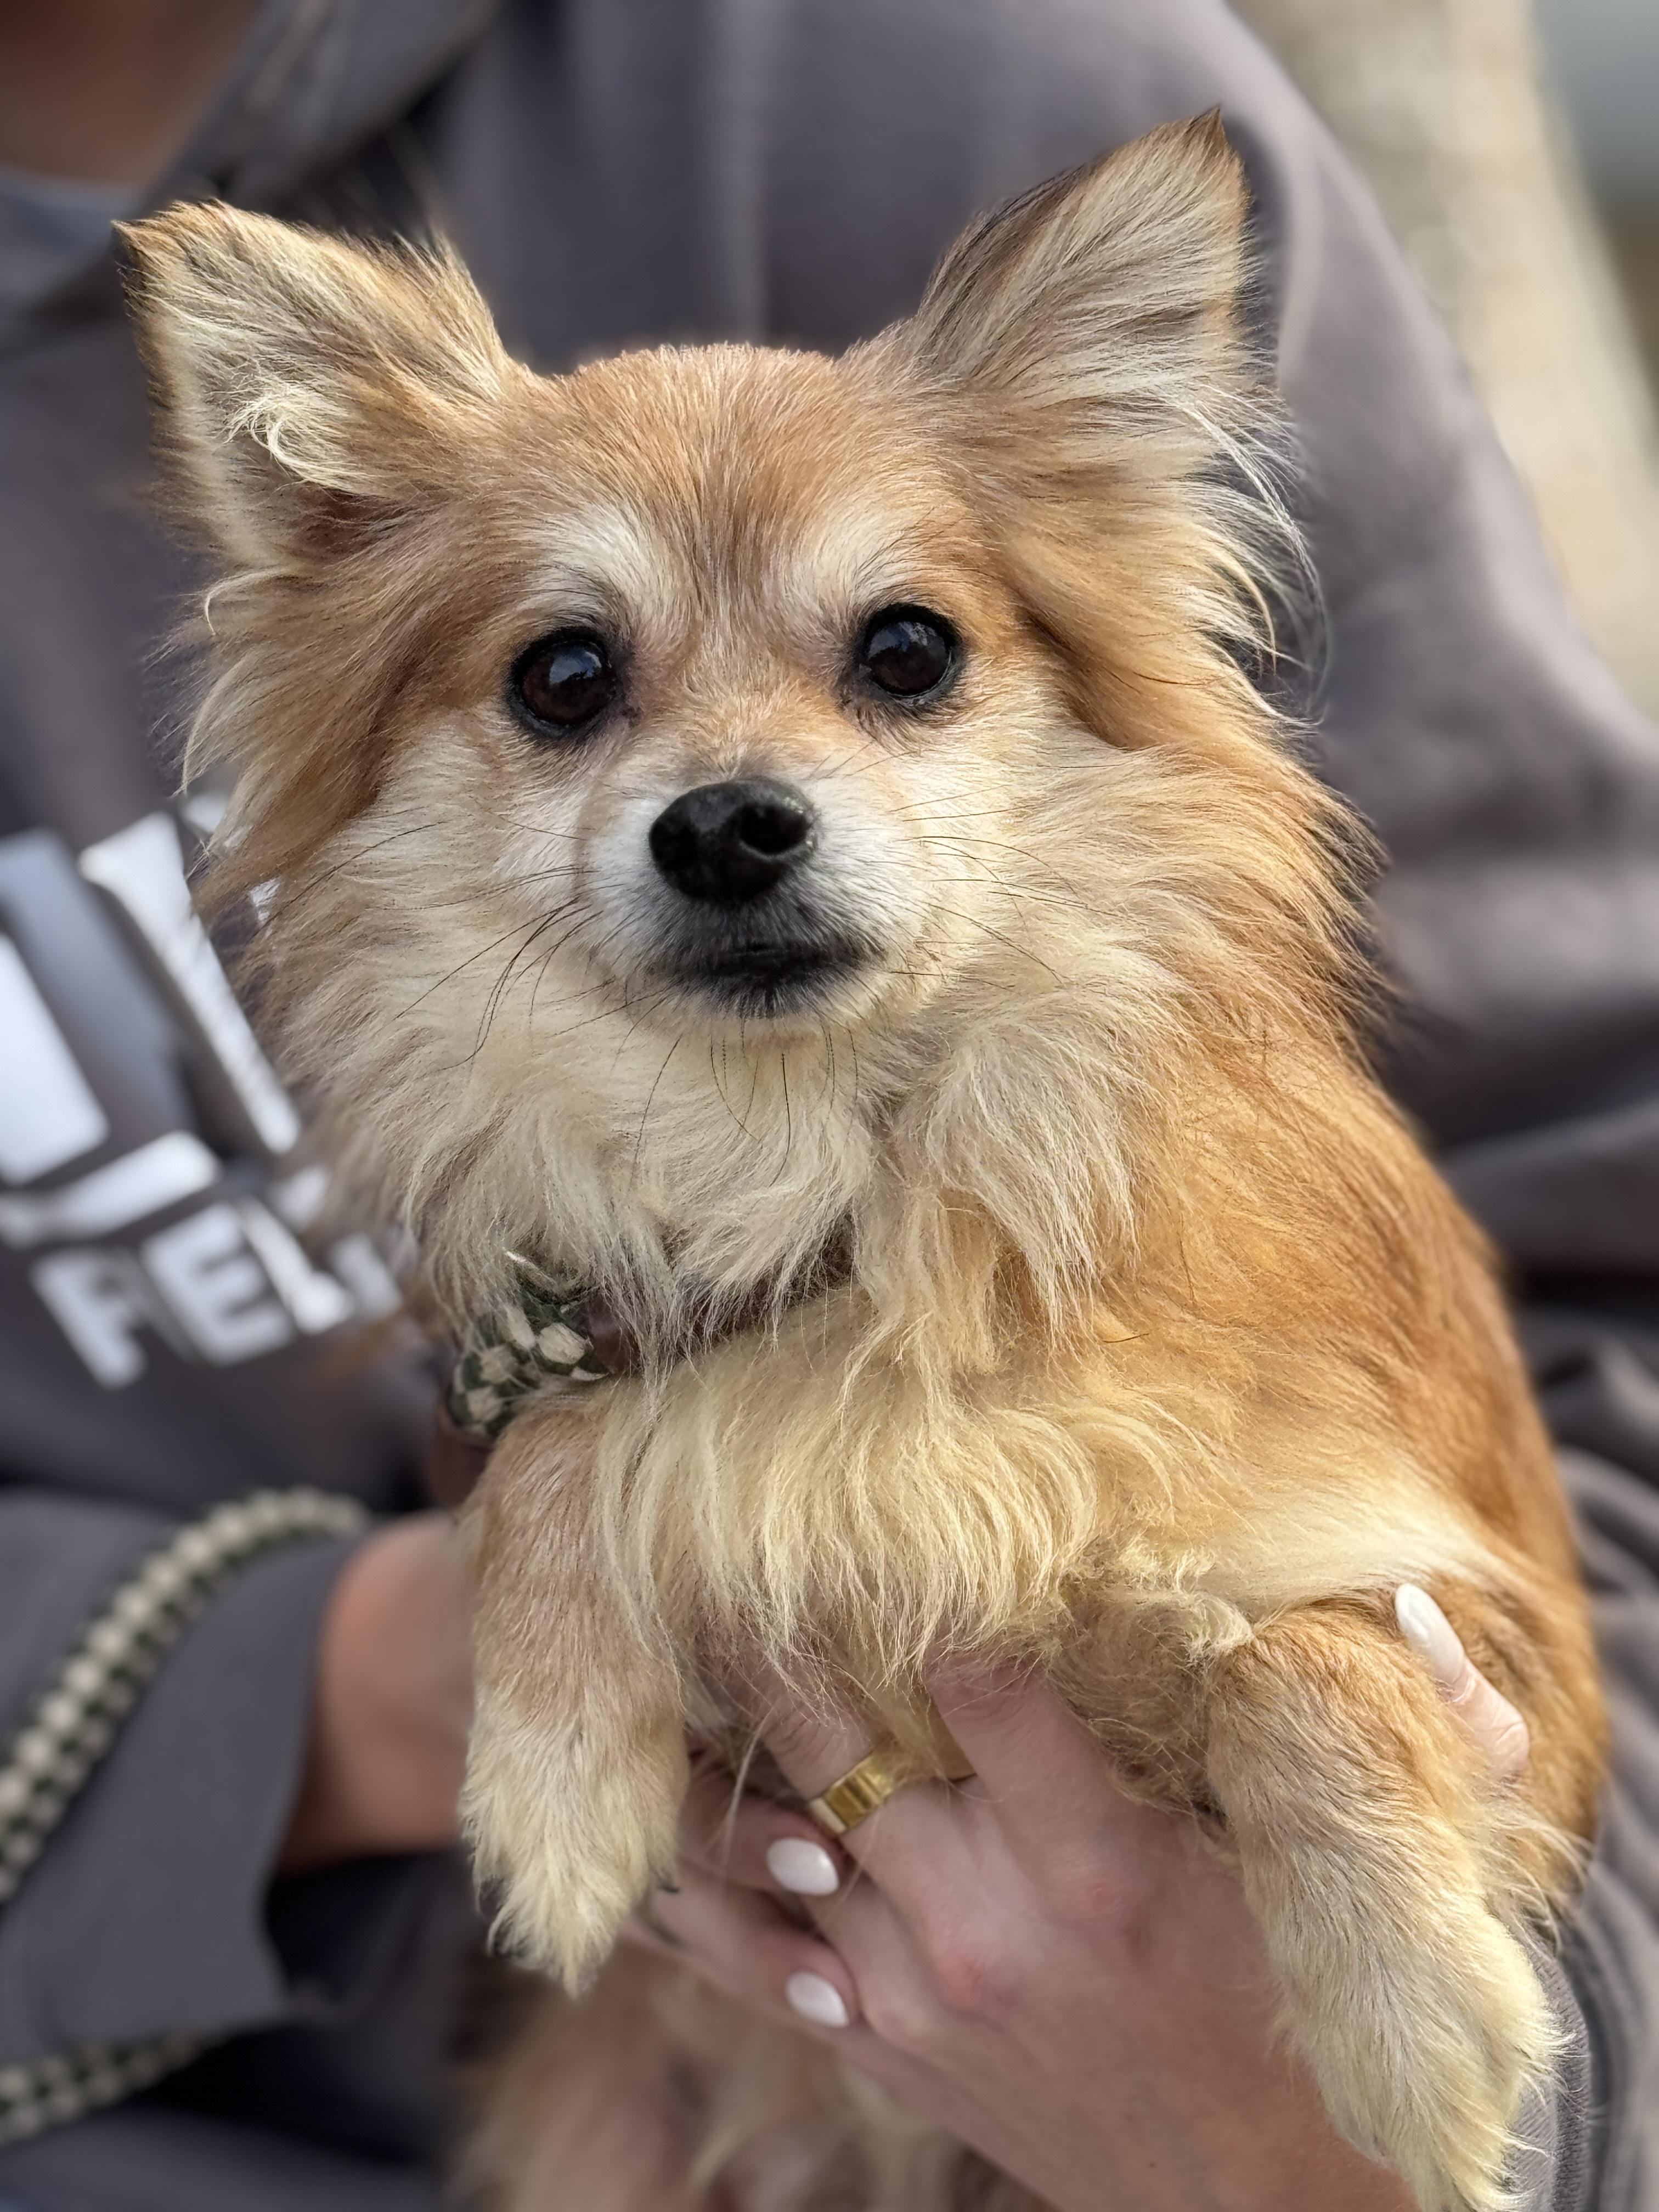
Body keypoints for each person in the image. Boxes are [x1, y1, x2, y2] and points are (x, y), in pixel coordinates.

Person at [0, 3, 1655, 2209]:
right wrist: (410, 1650)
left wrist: (1447, 2121)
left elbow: (1595, 1219)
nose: (734, 792)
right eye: (569, 685)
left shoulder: (951, 67)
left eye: (899, 657)